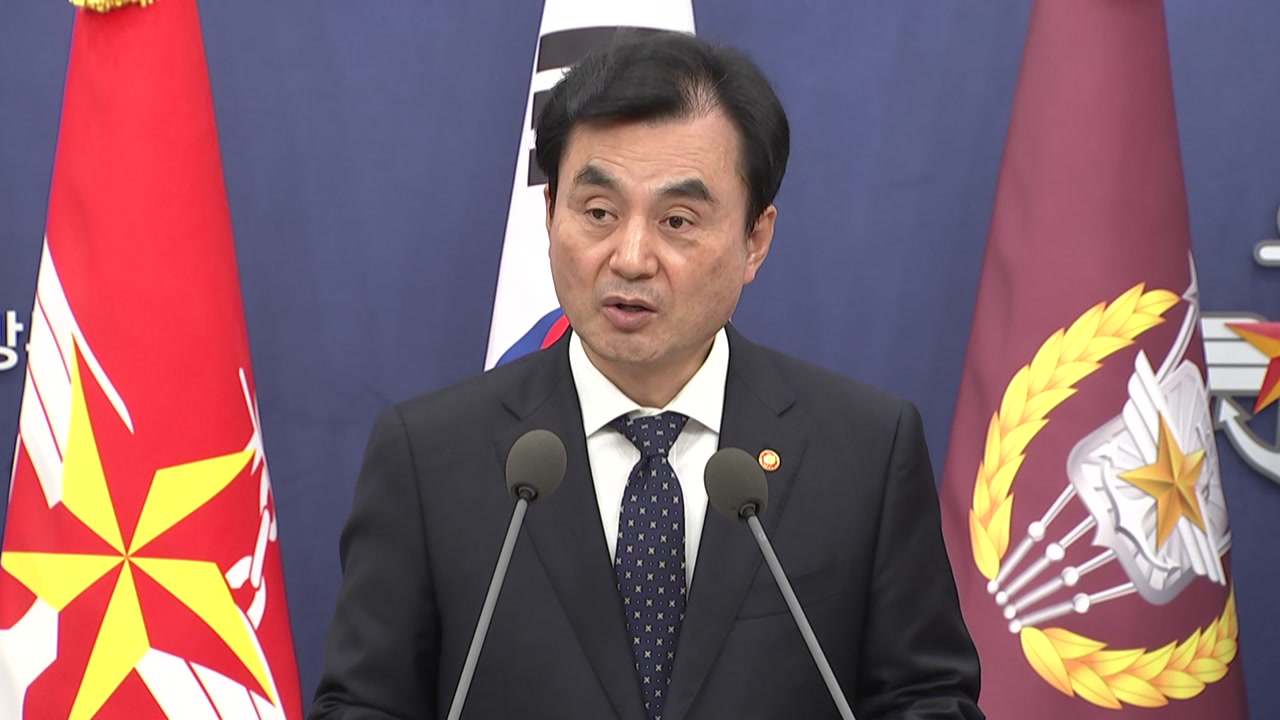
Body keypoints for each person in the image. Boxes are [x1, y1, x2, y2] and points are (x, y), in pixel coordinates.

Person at [310, 30, 982, 720]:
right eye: (598, 213)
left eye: (677, 220)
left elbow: (925, 699)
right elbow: (365, 706)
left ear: (755, 239)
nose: (630, 257)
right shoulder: (429, 458)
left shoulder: (866, 452)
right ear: (550, 214)